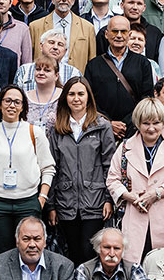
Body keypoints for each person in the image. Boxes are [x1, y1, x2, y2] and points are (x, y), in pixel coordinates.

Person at [106, 97, 164, 263]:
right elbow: (112, 180)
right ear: (138, 123)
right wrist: (129, 196)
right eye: (146, 123)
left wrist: (156, 193)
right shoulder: (125, 147)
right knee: (134, 264)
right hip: (135, 216)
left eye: (156, 123)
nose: (151, 128)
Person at [0, 85, 56, 255]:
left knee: (28, 251)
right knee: (1, 253)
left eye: (17, 102)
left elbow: (48, 168)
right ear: (0, 104)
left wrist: (41, 198)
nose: (12, 105)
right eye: (8, 101)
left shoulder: (34, 132)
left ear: (23, 107)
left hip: (28, 201)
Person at [46, 77, 115, 263]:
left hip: (95, 201)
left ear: (88, 97)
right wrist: (51, 205)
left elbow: (109, 165)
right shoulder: (57, 128)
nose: (76, 98)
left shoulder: (102, 126)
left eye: (80, 94)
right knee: (72, 252)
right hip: (65, 201)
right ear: (65, 98)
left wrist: (109, 199)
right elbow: (52, 167)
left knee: (88, 251)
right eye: (71, 94)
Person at [85, 16, 154, 140]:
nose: (119, 35)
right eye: (114, 31)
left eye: (123, 31)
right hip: (101, 131)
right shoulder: (93, 65)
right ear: (106, 34)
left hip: (134, 130)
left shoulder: (142, 63)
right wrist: (108, 123)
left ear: (129, 35)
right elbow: (89, 100)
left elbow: (147, 97)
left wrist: (128, 123)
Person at [29, 0, 95, 72]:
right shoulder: (35, 26)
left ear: (73, 0)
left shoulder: (87, 27)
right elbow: (29, 59)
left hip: (76, 78)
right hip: (44, 77)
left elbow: (92, 62)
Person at [14, 29, 81, 91]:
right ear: (41, 46)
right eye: (51, 42)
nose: (55, 47)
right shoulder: (24, 70)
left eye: (60, 45)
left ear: (65, 51)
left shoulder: (73, 73)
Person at [23, 55, 62, 127]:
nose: (41, 73)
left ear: (56, 75)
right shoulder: (24, 97)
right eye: (38, 69)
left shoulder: (64, 96)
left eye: (47, 70)